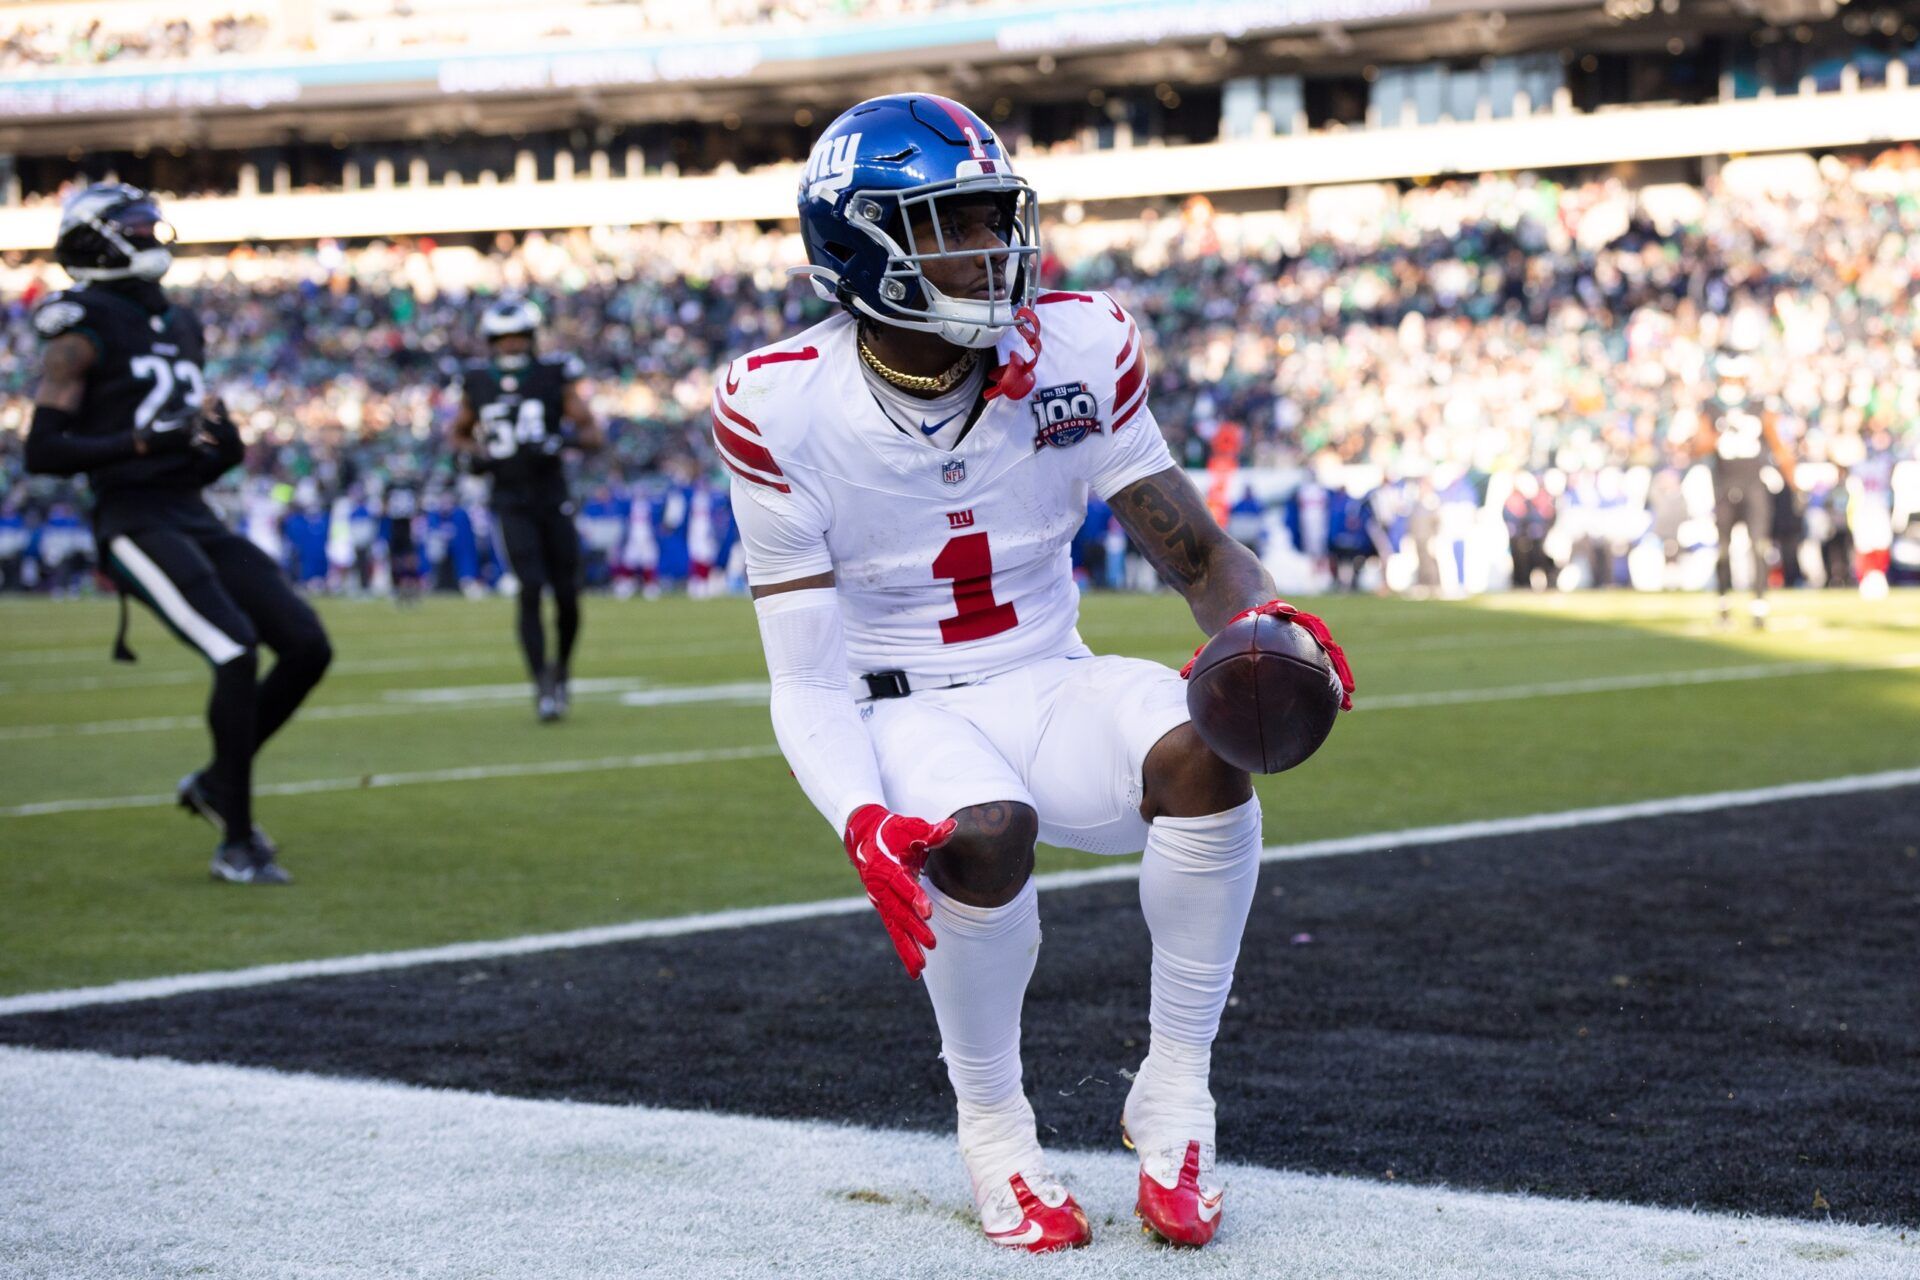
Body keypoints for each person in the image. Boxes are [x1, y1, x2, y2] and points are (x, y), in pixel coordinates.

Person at [720, 95, 1352, 1254]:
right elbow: (807, 680)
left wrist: (1269, 625)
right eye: (950, 223)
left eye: (990, 216)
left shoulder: (1075, 346)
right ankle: (996, 1126)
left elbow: (1197, 553)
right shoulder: (779, 406)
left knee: (1208, 749)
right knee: (986, 829)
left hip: (1049, 673)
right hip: (907, 701)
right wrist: (859, 810)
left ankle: (1177, 1091)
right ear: (861, 245)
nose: (988, 247)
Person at [24, 183, 331, 884]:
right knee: (234, 650)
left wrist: (220, 449)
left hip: (191, 509)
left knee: (306, 645)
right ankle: (238, 839)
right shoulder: (79, 326)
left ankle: (219, 782)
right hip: (131, 517)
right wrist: (138, 444)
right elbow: (44, 451)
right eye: (135, 227)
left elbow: (187, 436)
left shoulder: (179, 322)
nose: (152, 236)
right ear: (98, 240)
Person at [449, 298, 601, 720]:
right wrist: (471, 455)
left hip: (552, 497)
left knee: (568, 594)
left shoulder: (554, 374)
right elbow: (458, 435)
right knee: (530, 588)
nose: (511, 346)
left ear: (532, 339)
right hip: (509, 499)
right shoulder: (476, 381)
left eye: (518, 337)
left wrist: (563, 442)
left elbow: (593, 433)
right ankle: (542, 685)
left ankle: (562, 670)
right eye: (503, 339)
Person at [1699, 355, 1796, 626]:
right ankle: (1723, 602)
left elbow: (1778, 446)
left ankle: (1759, 605)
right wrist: (1719, 435)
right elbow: (1699, 444)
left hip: (1754, 485)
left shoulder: (1759, 407)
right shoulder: (1711, 408)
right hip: (1724, 485)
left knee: (1759, 545)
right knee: (1723, 548)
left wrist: (1793, 481)